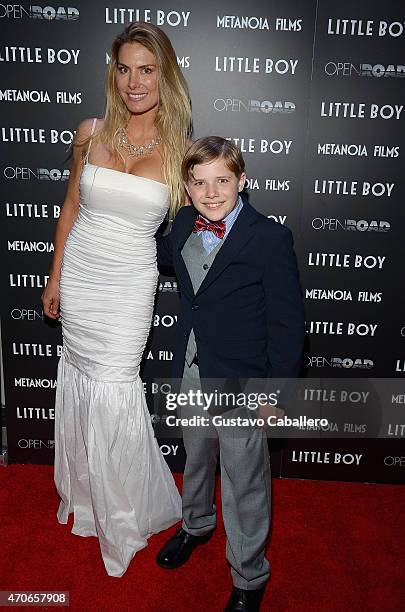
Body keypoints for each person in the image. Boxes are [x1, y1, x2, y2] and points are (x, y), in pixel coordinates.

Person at [41, 22, 192, 578]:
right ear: (114, 73)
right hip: (81, 276)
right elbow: (69, 209)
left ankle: (120, 510)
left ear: (164, 76)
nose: (134, 81)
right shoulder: (90, 132)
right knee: (83, 384)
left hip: (129, 285)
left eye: (146, 70)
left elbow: (211, 218)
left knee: (113, 388)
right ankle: (88, 500)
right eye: (124, 68)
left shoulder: (181, 154)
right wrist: (56, 277)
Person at [155, 137, 305, 610]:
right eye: (199, 182)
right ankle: (196, 524)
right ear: (186, 188)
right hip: (195, 369)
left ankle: (248, 575)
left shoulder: (268, 237)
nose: (212, 192)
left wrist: (275, 393)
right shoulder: (182, 223)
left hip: (243, 379)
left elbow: (287, 324)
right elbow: (167, 260)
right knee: (196, 459)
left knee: (244, 482)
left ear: (242, 181)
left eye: (223, 180)